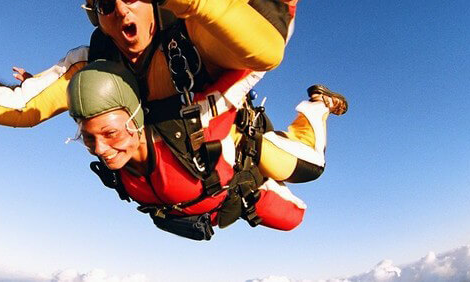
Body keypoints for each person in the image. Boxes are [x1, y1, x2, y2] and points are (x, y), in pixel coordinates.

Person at [0, 0, 338, 185]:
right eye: (106, 4)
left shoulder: (189, 36)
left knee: (306, 172)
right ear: (96, 16)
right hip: (177, 155)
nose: (121, 8)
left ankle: (315, 107)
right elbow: (26, 107)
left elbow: (264, 47)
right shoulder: (92, 64)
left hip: (233, 135)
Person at [66, 60, 347, 240]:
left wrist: (287, 3)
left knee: (312, 166)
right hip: (225, 202)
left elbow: (254, 65)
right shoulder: (117, 162)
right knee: (293, 219)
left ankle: (318, 106)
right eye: (87, 139)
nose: (100, 149)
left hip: (246, 158)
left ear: (134, 120)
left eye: (110, 134)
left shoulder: (192, 125)